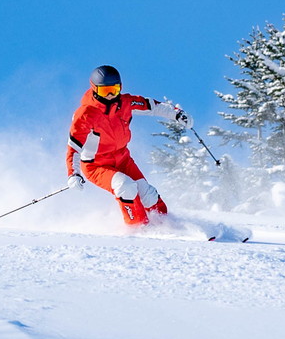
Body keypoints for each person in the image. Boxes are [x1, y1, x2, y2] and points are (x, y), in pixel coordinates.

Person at [65, 64, 191, 226]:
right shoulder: (86, 114)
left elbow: (152, 106)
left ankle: (168, 226)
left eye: (114, 89)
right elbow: (73, 147)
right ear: (95, 89)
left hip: (123, 159)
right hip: (96, 165)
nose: (110, 95)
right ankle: (138, 229)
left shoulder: (125, 103)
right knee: (125, 186)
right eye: (105, 91)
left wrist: (177, 114)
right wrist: (73, 174)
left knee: (148, 195)